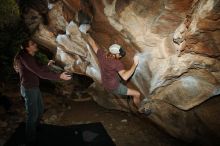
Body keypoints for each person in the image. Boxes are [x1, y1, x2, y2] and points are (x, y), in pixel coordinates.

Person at [13, 39, 72, 145]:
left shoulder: (29, 56)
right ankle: (30, 139)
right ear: (27, 48)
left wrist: (47, 65)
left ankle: (36, 127)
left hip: (34, 87)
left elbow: (37, 68)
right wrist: (59, 76)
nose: (35, 45)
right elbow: (40, 73)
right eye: (32, 44)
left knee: (40, 109)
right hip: (29, 89)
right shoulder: (25, 58)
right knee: (32, 114)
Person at [86, 34, 147, 113]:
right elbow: (125, 77)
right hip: (113, 87)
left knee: (116, 74)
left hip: (105, 81)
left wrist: (85, 32)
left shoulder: (102, 54)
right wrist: (135, 64)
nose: (121, 55)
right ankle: (141, 109)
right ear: (115, 54)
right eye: (120, 54)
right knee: (137, 94)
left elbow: (93, 43)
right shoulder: (117, 63)